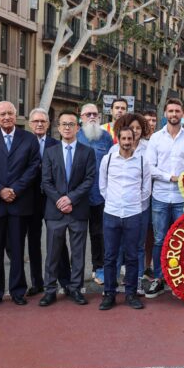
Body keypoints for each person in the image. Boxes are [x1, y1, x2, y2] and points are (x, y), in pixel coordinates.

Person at [0, 101, 41, 307]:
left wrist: (15, 189)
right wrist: (0, 190)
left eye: (10, 113)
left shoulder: (29, 139)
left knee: (17, 249)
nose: (6, 117)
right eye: (2, 114)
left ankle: (17, 291)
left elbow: (34, 167)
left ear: (16, 116)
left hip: (19, 201)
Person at [38, 110, 96, 307]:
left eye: (71, 124)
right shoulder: (50, 152)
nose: (67, 127)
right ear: (58, 128)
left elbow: (89, 180)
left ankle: (75, 289)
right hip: (55, 211)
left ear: (78, 128)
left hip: (78, 210)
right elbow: (46, 181)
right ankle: (50, 290)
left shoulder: (87, 152)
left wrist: (70, 198)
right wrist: (60, 200)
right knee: (53, 253)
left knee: (78, 253)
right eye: (64, 124)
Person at [145, 98, 184, 297]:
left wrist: (182, 179)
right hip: (159, 196)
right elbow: (150, 167)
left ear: (182, 114)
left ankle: (180, 279)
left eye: (178, 110)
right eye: (171, 111)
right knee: (159, 239)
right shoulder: (156, 138)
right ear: (165, 114)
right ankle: (159, 279)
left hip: (181, 198)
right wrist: (171, 177)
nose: (174, 114)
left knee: (182, 240)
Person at [99, 126, 152, 310]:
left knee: (131, 256)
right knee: (110, 257)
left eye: (130, 139)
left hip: (133, 214)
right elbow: (103, 186)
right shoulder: (108, 159)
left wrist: (132, 202)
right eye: (124, 139)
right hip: (111, 214)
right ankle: (109, 294)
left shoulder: (142, 161)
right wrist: (114, 202)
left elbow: (146, 189)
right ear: (118, 139)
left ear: (134, 140)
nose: (127, 142)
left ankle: (130, 294)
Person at [109, 113, 151, 293]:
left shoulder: (148, 148)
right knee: (116, 248)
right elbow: (105, 183)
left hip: (140, 207)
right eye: (131, 128)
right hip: (116, 208)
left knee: (138, 246)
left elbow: (147, 183)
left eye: (138, 128)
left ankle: (137, 282)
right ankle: (114, 283)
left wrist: (136, 202)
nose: (134, 132)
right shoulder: (112, 153)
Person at [76, 103, 114, 286]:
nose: (92, 117)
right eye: (88, 114)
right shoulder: (75, 135)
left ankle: (99, 269)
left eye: (95, 114)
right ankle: (76, 273)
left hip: (100, 195)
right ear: (81, 117)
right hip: (78, 196)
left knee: (99, 234)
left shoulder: (106, 137)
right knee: (77, 235)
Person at [25, 107, 60, 296]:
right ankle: (37, 282)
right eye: (36, 121)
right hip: (30, 200)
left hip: (52, 199)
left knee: (58, 241)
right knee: (33, 242)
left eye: (43, 121)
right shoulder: (23, 143)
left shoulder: (56, 144)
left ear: (48, 124)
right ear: (30, 124)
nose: (39, 124)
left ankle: (63, 279)